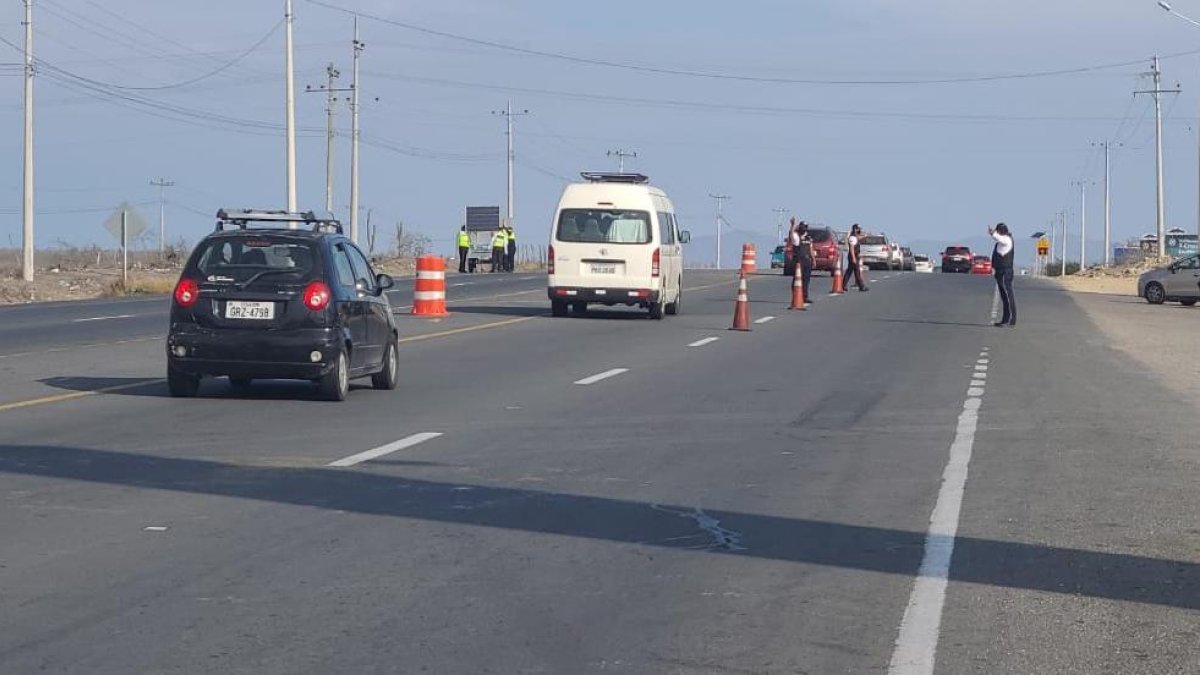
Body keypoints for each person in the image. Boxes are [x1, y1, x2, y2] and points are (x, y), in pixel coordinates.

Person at [989, 222, 1016, 326]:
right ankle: (1005, 319)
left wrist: (993, 234)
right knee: (1004, 296)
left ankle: (1011, 319)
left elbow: (1001, 239)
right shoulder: (998, 244)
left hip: (1006, 272)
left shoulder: (1007, 240)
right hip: (999, 272)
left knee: (1008, 295)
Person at [793, 219, 814, 305]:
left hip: (807, 260)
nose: (804, 229)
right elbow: (792, 235)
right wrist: (793, 225)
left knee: (806, 279)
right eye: (802, 227)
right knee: (797, 279)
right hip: (799, 260)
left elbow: (811, 249)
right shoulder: (797, 237)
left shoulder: (808, 238)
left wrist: (813, 259)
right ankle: (795, 296)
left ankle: (805, 297)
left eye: (805, 227)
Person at [842, 223, 869, 291]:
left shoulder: (855, 237)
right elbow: (851, 249)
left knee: (849, 271)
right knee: (857, 272)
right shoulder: (852, 238)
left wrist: (864, 236)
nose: (860, 230)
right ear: (855, 229)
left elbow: (858, 238)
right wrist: (853, 258)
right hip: (853, 256)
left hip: (855, 256)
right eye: (858, 229)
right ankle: (861, 286)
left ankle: (843, 285)